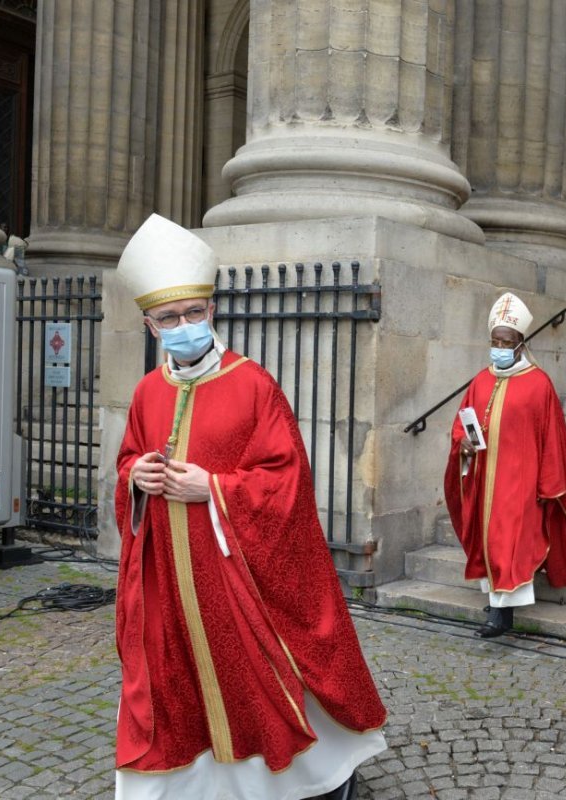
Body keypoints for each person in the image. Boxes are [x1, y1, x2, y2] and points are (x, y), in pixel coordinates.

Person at [114, 214, 387, 800]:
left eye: (193, 312)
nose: (184, 325)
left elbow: (286, 478)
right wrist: (135, 476)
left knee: (261, 675)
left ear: (211, 311)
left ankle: (306, 776)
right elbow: (130, 459)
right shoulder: (145, 392)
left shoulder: (252, 385)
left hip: (236, 573)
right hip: (169, 577)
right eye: (169, 318)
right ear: (149, 323)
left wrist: (211, 489)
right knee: (172, 682)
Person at [444, 293, 566, 639]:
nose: (499, 348)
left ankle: (501, 614)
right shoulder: (480, 380)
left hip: (519, 481)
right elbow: (463, 424)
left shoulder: (539, 385)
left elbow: (553, 439)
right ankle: (497, 603)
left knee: (509, 541)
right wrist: (461, 444)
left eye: (506, 342)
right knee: (490, 540)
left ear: (520, 344)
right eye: (494, 342)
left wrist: (547, 485)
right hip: (484, 477)